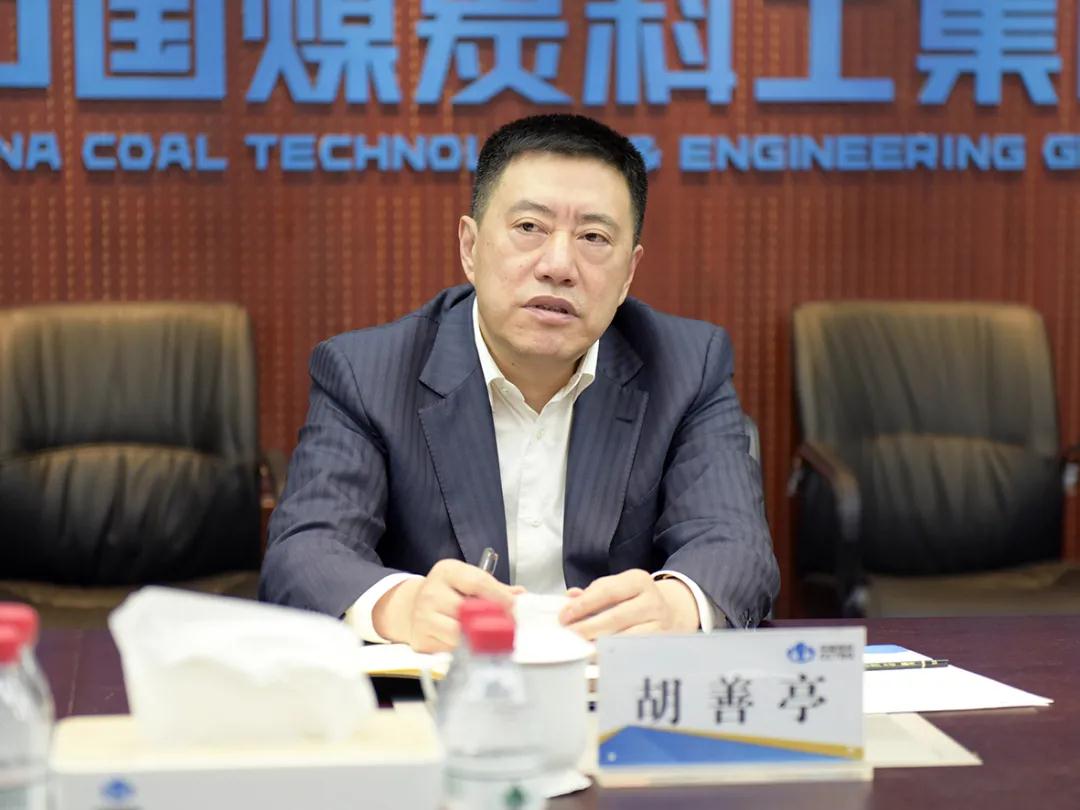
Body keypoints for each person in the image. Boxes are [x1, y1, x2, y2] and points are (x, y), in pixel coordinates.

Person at [260, 114, 779, 652]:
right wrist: (402, 607)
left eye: (594, 237)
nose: (558, 265)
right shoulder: (369, 372)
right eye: (530, 227)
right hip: (444, 687)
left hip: (614, 688)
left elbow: (735, 547)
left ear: (628, 273)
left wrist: (674, 605)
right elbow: (305, 554)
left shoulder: (686, 366)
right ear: (470, 247)